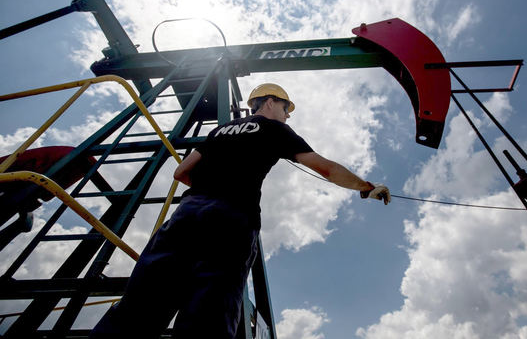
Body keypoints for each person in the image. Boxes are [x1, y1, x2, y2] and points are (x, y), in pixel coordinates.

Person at [90, 83, 390, 338]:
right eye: (286, 109)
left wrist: (211, 183)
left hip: (187, 214)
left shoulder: (220, 130)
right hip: (231, 218)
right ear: (271, 102)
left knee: (141, 304)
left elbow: (180, 172)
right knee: (208, 314)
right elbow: (325, 168)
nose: (287, 116)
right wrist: (364, 186)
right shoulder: (275, 130)